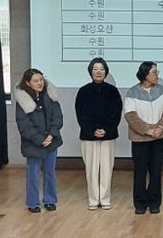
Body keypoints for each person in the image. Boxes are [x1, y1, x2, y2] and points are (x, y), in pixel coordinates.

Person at [123, 61, 163, 214]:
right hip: (140, 140)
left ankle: (155, 202)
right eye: (154, 72)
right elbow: (130, 116)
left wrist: (160, 128)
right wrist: (147, 130)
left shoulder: (161, 90)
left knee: (156, 171)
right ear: (145, 74)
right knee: (140, 172)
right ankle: (140, 204)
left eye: (157, 72)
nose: (157, 75)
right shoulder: (132, 92)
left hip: (158, 138)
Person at [75, 57, 123, 210]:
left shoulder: (112, 91)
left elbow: (116, 113)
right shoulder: (83, 91)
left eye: (102, 69)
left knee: (107, 168)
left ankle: (105, 198)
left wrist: (106, 129)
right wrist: (92, 130)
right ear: (90, 72)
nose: (98, 72)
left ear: (106, 72)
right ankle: (93, 199)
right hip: (88, 136)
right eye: (95, 69)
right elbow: (81, 114)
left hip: (108, 135)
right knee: (91, 169)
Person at [15, 68, 64, 213]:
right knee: (33, 174)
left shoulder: (50, 95)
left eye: (41, 79)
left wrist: (51, 135)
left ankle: (50, 200)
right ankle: (33, 203)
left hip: (51, 141)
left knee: (50, 172)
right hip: (33, 143)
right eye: (36, 81)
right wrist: (40, 139)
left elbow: (58, 117)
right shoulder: (23, 100)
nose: (40, 83)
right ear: (27, 83)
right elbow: (24, 125)